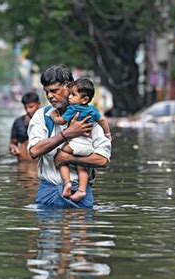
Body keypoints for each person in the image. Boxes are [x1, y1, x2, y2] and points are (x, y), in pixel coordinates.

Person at [27, 65, 111, 208]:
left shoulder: (90, 116)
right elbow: (34, 151)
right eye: (47, 92)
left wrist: (69, 158)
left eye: (54, 91)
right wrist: (67, 134)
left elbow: (103, 160)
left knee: (80, 228)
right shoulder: (42, 116)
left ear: (69, 87)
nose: (50, 96)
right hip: (48, 192)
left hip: (81, 193)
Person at [49, 78, 111, 202]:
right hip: (88, 146)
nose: (70, 97)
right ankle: (82, 190)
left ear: (84, 99)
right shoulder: (93, 110)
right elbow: (103, 120)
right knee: (82, 167)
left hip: (75, 144)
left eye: (73, 95)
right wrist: (107, 134)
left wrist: (54, 116)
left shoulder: (73, 109)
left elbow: (61, 121)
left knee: (60, 155)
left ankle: (67, 183)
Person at [9, 92, 41, 161]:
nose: (28, 110)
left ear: (39, 105)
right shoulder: (18, 122)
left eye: (31, 107)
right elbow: (13, 143)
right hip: (23, 161)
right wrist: (13, 148)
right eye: (25, 108)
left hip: (41, 163)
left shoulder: (46, 121)